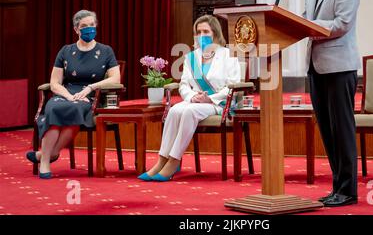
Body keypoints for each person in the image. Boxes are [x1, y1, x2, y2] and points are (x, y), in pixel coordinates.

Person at [138, 15, 240, 182]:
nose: (202, 35)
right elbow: (184, 84)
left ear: (215, 33)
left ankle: (174, 161)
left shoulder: (228, 55)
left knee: (188, 112)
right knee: (174, 111)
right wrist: (193, 97)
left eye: (205, 31)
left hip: (220, 103)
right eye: (198, 32)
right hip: (196, 102)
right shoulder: (191, 57)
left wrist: (209, 98)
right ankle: (161, 160)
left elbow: (233, 85)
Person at [26, 10, 120, 179]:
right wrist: (68, 96)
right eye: (84, 26)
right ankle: (47, 161)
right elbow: (54, 82)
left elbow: (115, 78)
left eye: (92, 25)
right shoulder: (66, 51)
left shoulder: (106, 51)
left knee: (76, 109)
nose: (89, 29)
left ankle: (48, 155)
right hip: (66, 93)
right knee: (53, 108)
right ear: (76, 29)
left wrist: (91, 88)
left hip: (90, 95)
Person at [303, 0, 360, 207]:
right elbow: (308, 18)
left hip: (339, 67)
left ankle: (348, 189)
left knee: (342, 129)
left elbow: (343, 23)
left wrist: (311, 27)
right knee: (326, 128)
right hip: (316, 66)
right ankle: (337, 187)